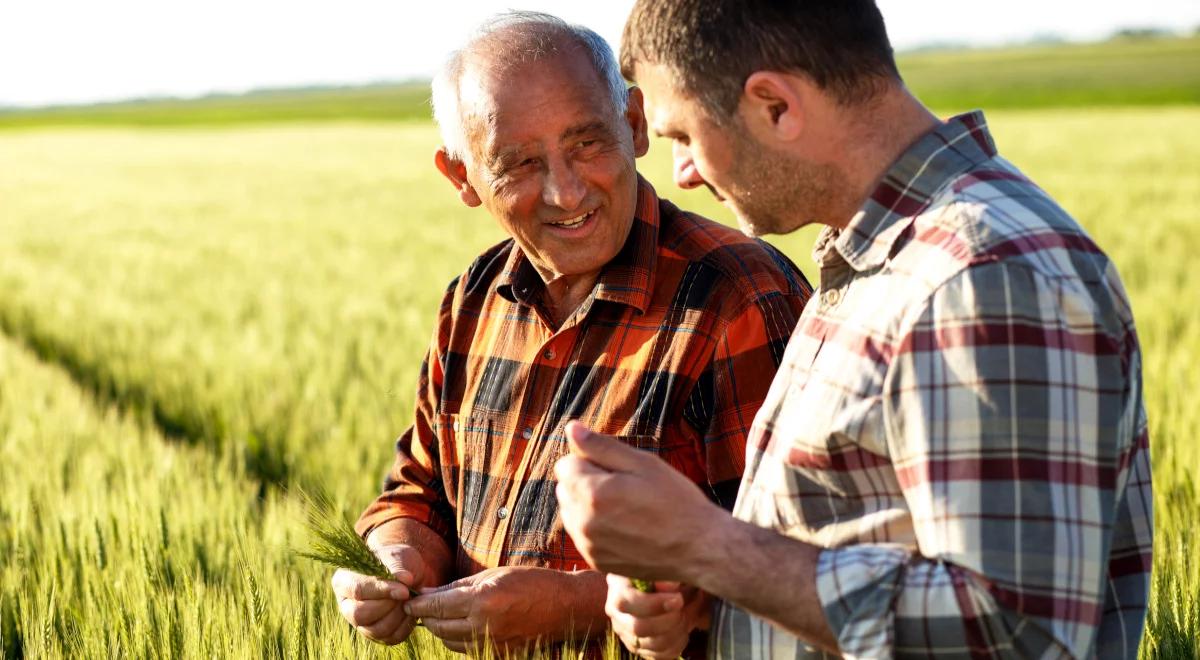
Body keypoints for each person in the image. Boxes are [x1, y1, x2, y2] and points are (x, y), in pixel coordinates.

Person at [554, 1, 1154, 658]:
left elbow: (1012, 633)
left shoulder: (980, 276)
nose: (683, 174)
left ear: (774, 107)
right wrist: (707, 594)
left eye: (683, 137)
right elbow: (867, 542)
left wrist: (710, 546)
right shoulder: (881, 257)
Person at [329, 10, 812, 655]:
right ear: (462, 177)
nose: (565, 191)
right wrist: (396, 561)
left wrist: (576, 607)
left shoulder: (739, 298)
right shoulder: (473, 299)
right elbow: (418, 491)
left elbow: (800, 568)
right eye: (520, 163)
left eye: (587, 142)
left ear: (635, 125)